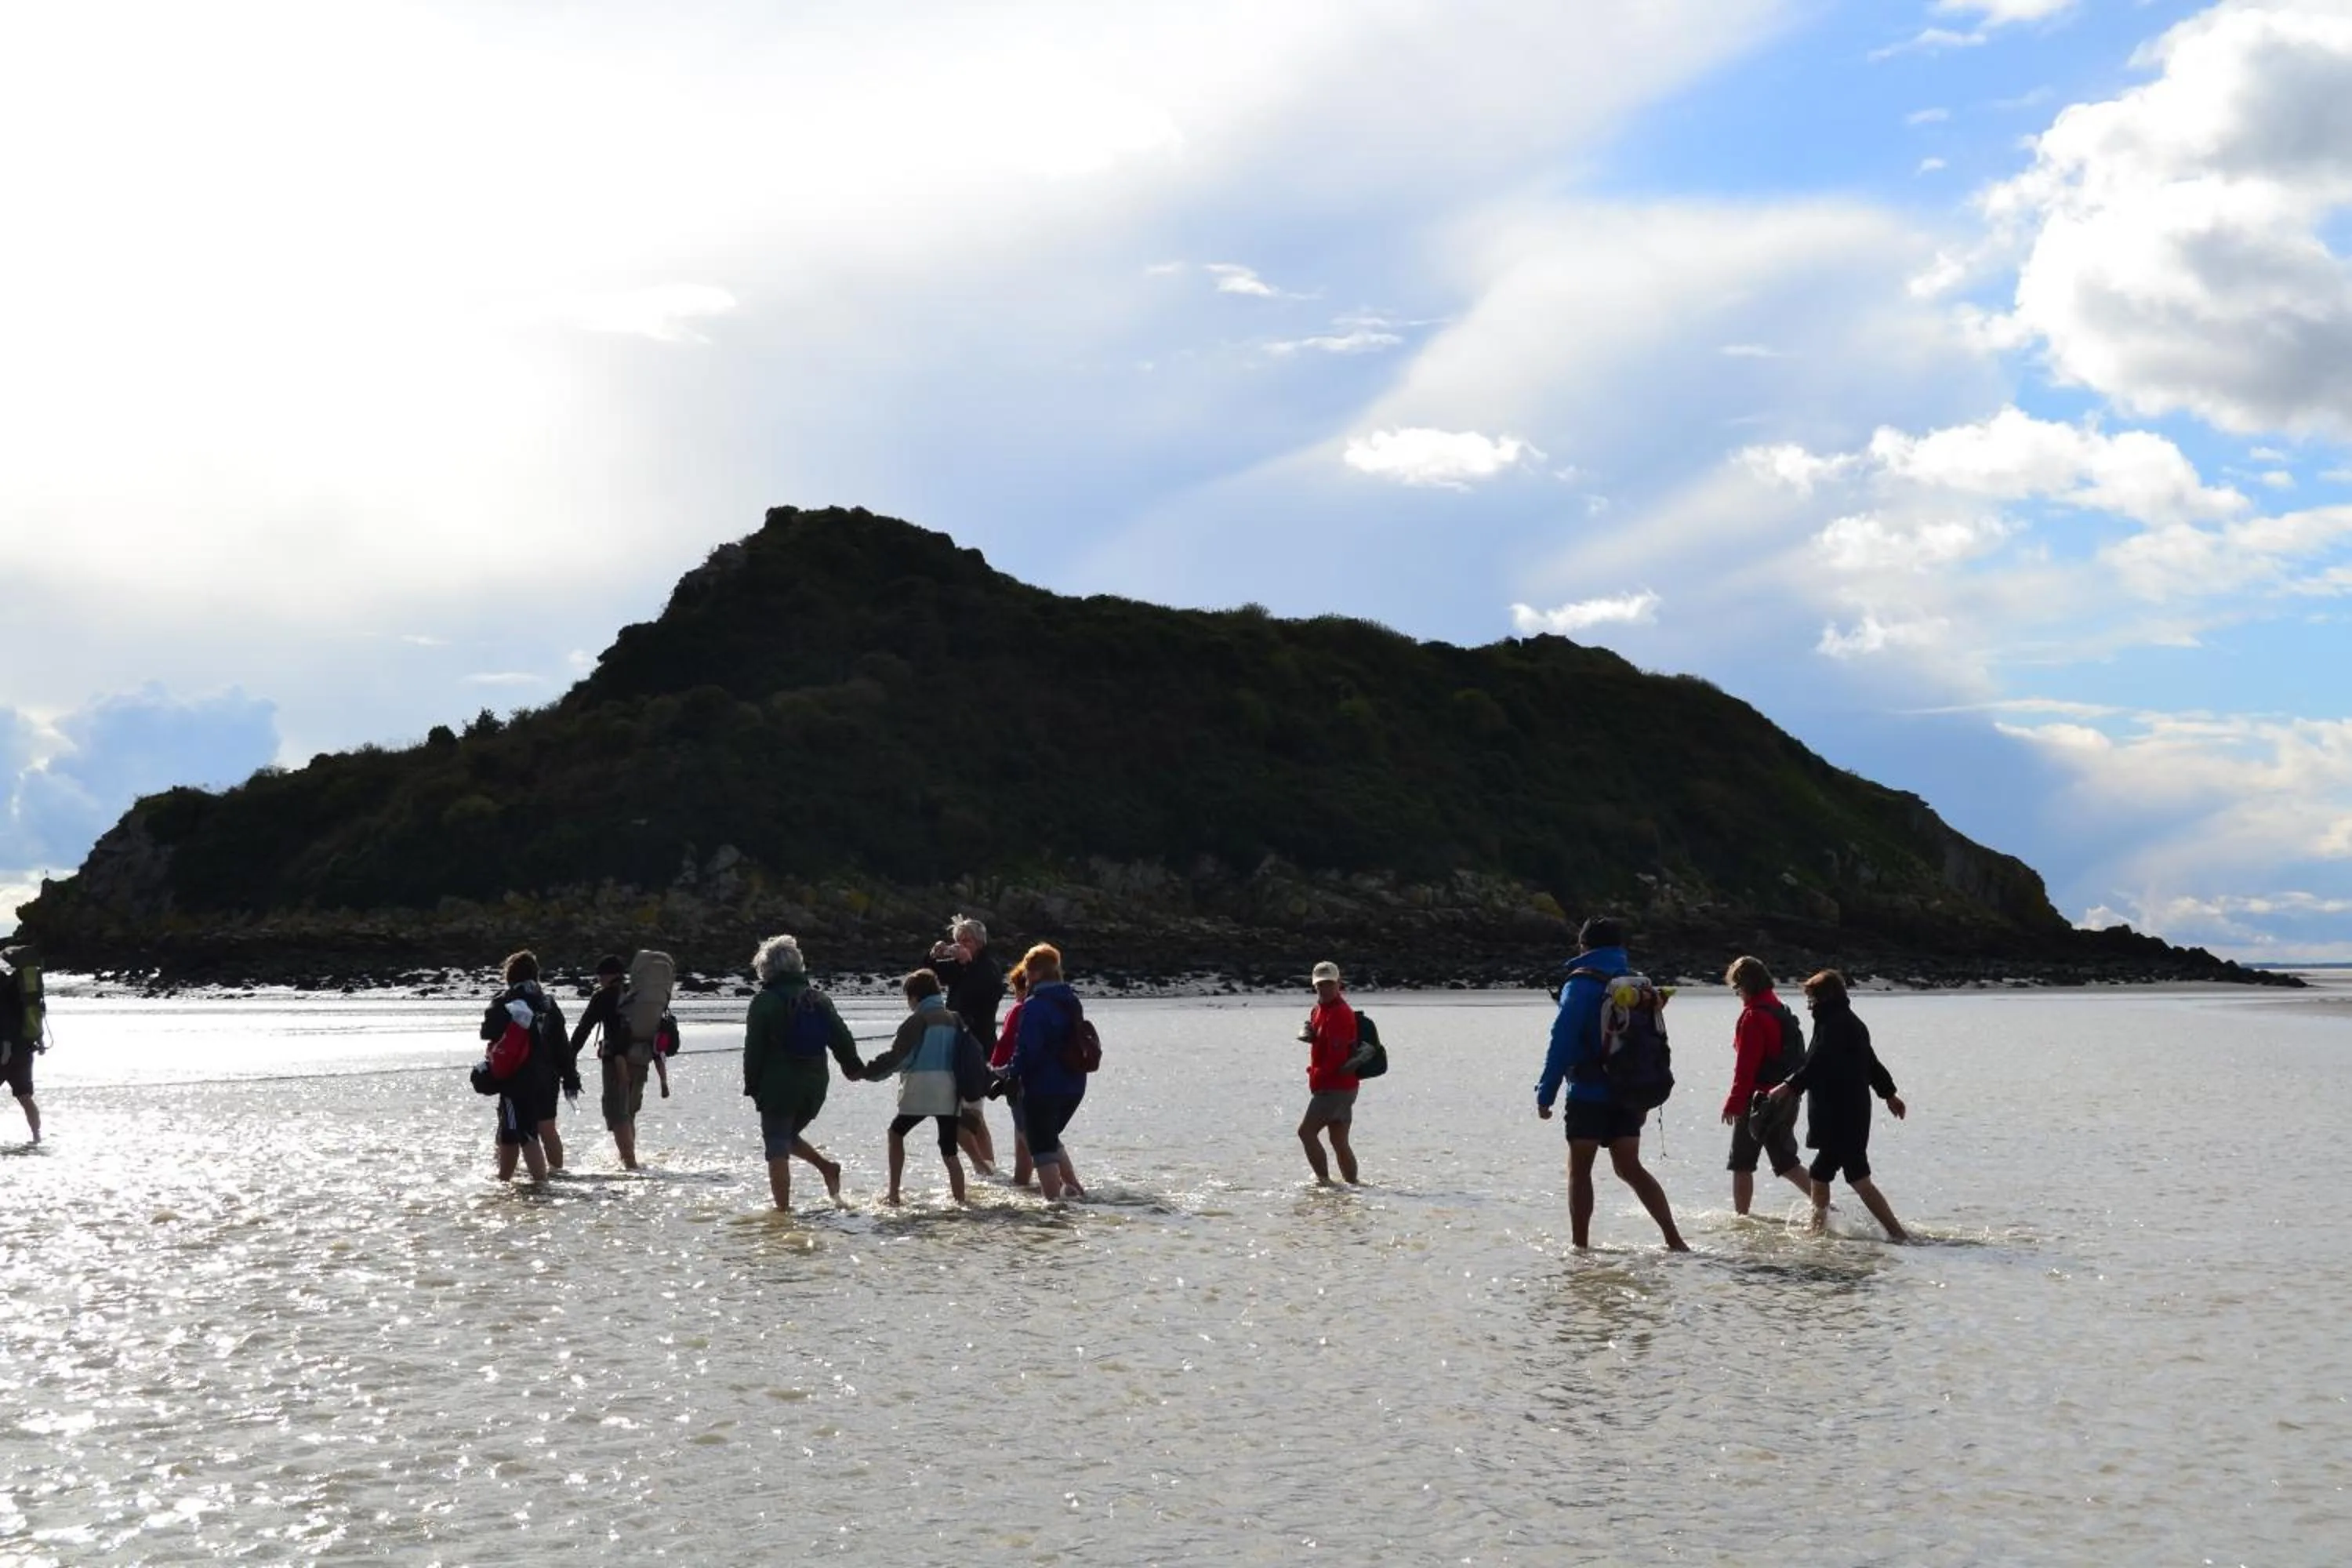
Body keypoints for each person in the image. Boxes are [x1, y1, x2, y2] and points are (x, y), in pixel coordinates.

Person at [1534, 916, 1689, 1251]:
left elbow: (1561, 1039)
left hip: (1588, 1091)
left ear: (1583, 946)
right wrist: (1644, 1099)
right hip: (1629, 1092)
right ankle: (1674, 1240)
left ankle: (1581, 1248)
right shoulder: (1633, 985)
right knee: (1630, 1167)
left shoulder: (1580, 983)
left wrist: (1546, 1092)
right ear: (1620, 947)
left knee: (1580, 1171)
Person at [1766, 969, 1908, 1240]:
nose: (1809, 1006)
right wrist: (1889, 1095)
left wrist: (1789, 1086)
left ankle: (1897, 1233)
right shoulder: (1846, 1022)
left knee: (1858, 1178)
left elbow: (1818, 1063)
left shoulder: (1835, 1025)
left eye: (1812, 999)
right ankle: (1818, 1230)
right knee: (1823, 1173)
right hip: (1848, 1111)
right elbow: (1872, 1064)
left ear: (1825, 997)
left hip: (1840, 1113)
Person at [740, 934, 868, 1211]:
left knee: (776, 1144)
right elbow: (841, 1037)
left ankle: (782, 1214)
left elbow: (754, 1050)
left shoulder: (764, 1002)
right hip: (815, 1086)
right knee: (786, 1136)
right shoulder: (819, 999)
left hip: (778, 1085)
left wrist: (751, 1085)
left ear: (766, 968)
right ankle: (827, 1167)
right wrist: (852, 1066)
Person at [862, 968, 989, 1206]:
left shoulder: (916, 1021)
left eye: (908, 999)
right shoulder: (955, 1019)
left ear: (914, 998)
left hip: (919, 1090)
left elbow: (898, 1058)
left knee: (896, 1133)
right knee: (950, 1152)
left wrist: (866, 1072)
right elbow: (969, 1055)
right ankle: (961, 1202)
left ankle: (894, 1194)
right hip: (949, 1092)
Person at [1720, 956, 1813, 1215]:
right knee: (1786, 1162)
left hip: (1758, 1100)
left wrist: (1734, 1103)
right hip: (1788, 1094)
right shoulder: (1779, 1009)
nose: (1737, 995)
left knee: (1742, 1163)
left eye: (1736, 989)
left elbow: (1746, 1068)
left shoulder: (1752, 1017)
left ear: (1744, 986)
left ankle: (1741, 1219)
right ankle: (1828, 1207)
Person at [570, 953, 670, 1171]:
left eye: (600, 976)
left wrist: (568, 1057)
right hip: (642, 1058)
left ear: (607, 976)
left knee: (617, 1114)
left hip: (617, 1062)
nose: (599, 981)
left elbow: (583, 1029)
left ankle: (630, 1164)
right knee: (629, 1112)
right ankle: (630, 1159)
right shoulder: (637, 995)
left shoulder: (604, 996)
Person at [1008, 943, 1087, 1201]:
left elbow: (1028, 1050)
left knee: (1041, 1148)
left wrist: (1010, 1074)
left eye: (1029, 971)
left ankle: (1053, 1208)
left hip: (1044, 1086)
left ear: (1037, 974)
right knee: (1049, 1137)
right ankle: (1075, 1191)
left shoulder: (1035, 1006)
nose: (1026, 976)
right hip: (1074, 1084)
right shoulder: (1071, 1001)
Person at [927, 916, 1005, 1175]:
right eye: (958, 940)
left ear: (980, 943)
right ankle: (986, 1168)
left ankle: (985, 1168)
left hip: (978, 1046)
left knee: (970, 1112)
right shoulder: (961, 966)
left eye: (967, 940)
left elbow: (986, 993)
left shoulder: (987, 967)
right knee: (965, 1111)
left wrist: (968, 964)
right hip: (955, 1045)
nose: (961, 945)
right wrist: (933, 955)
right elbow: (929, 978)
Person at [479, 949, 557, 1184]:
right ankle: (536, 1179)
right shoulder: (546, 1002)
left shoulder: (506, 1000)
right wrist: (569, 1077)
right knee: (525, 1130)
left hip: (516, 1076)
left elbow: (487, 1032)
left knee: (520, 1134)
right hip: (544, 1077)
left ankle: (527, 1183)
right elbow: (559, 1041)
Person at [1297, 960, 1361, 1186]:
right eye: (1320, 985)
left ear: (1339, 984)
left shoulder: (1341, 1013)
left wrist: (1319, 1077)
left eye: (1329, 984)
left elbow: (1337, 1055)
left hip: (1334, 1086)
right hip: (1339, 1085)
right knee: (1339, 1140)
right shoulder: (1317, 1011)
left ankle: (1324, 1183)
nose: (1324, 989)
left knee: (1306, 1132)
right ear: (1314, 985)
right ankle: (1353, 1186)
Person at [993, 961, 1036, 1185]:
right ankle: (1022, 1182)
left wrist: (994, 1069)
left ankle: (1061, 1183)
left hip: (1016, 1078)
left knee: (1026, 1134)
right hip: (1035, 1079)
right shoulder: (1038, 1008)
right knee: (1022, 1134)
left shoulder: (1019, 1009)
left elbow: (1005, 1043)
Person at [0, 949, 42, 1144]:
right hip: (25, 1049)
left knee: (25, 1098)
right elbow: (36, 1014)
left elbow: (7, 1019)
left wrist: (7, 1048)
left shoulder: (5, 988)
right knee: (25, 1097)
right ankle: (36, 1136)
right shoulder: (25, 987)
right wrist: (39, 1041)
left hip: (5, 1052)